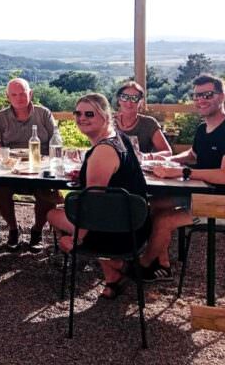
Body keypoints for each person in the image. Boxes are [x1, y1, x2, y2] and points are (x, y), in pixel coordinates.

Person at [47, 93, 151, 299]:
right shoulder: (119, 138)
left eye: (89, 114)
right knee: (74, 212)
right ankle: (114, 277)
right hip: (135, 223)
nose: (81, 118)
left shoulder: (103, 151)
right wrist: (85, 174)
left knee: (51, 213)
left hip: (119, 233)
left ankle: (115, 262)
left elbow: (93, 205)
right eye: (77, 113)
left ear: (105, 116)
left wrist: (77, 238)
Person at [134, 74, 225, 282]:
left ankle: (141, 266)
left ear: (222, 96)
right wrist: (160, 162)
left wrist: (182, 172)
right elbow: (192, 155)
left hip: (222, 202)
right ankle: (162, 264)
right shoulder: (202, 128)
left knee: (164, 219)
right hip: (198, 193)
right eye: (196, 96)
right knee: (152, 204)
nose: (200, 100)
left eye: (207, 94)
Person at [0, 78, 62, 250]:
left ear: (30, 94)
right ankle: (14, 229)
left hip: (40, 167)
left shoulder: (43, 114)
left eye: (23, 93)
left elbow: (56, 141)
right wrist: (0, 152)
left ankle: (37, 231)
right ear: (8, 97)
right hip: (11, 169)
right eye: (14, 94)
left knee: (49, 190)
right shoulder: (0, 118)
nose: (19, 98)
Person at [113, 80, 171, 159]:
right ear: (119, 100)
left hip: (141, 169)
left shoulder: (149, 123)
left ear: (141, 102)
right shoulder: (108, 122)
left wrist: (146, 156)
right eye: (124, 97)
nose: (129, 102)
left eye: (134, 98)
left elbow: (168, 152)